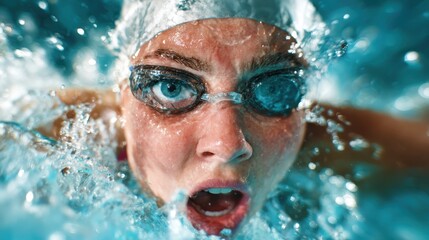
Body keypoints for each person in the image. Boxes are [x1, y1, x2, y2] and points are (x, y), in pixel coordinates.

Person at [39, 0, 429, 236]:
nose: (228, 145)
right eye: (170, 88)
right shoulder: (50, 137)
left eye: (274, 89)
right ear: (122, 97)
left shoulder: (335, 145)